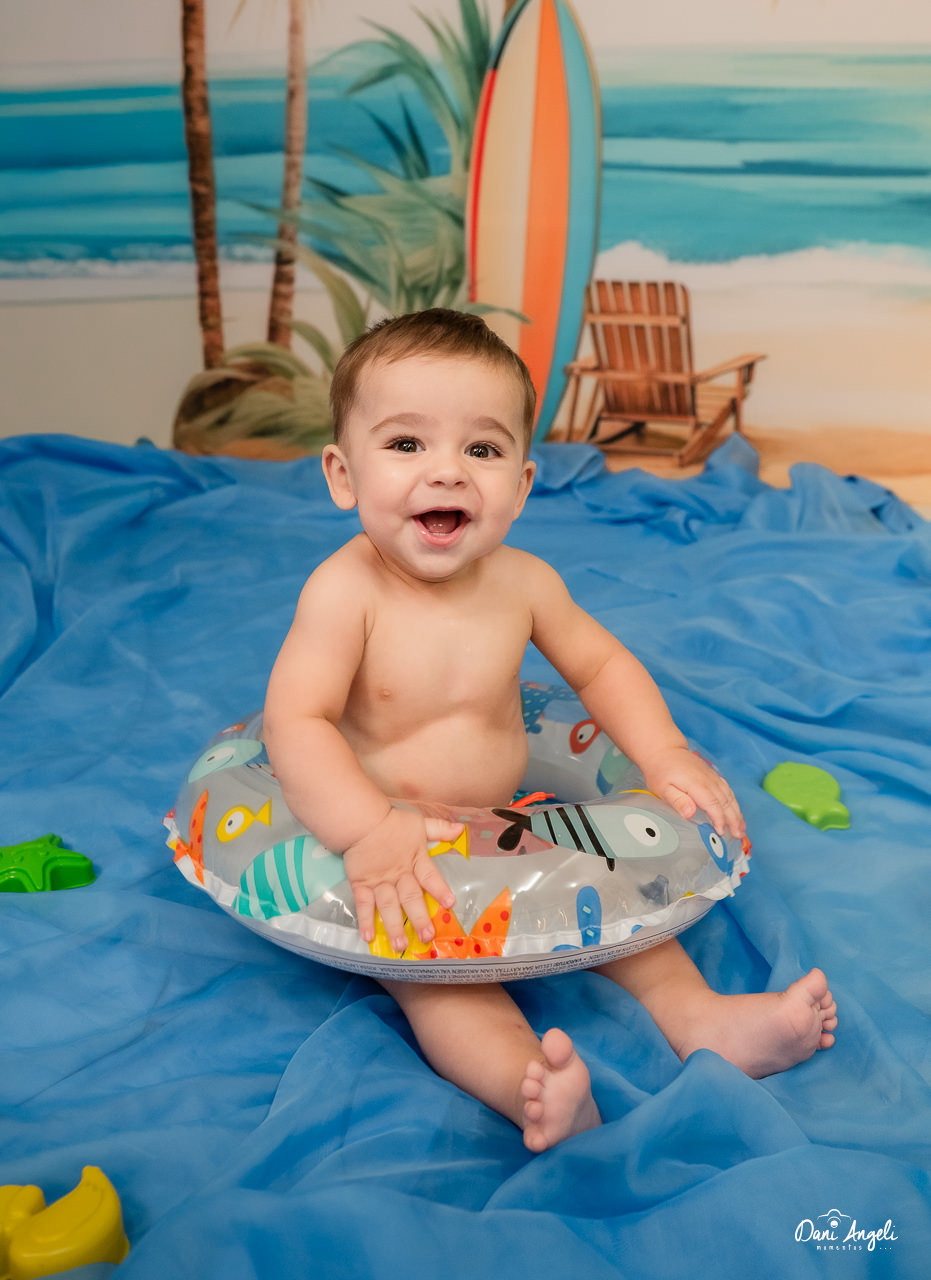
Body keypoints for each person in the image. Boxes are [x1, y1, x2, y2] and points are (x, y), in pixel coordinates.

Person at [263, 309, 837, 1152]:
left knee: (624, 907)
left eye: (481, 449)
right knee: (439, 983)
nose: (447, 472)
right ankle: (529, 1087)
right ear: (342, 475)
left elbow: (600, 667)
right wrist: (366, 830)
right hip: (402, 842)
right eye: (407, 444)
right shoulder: (343, 594)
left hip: (507, 822)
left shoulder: (524, 583)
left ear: (523, 484)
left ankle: (705, 1021)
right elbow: (296, 719)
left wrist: (661, 753)